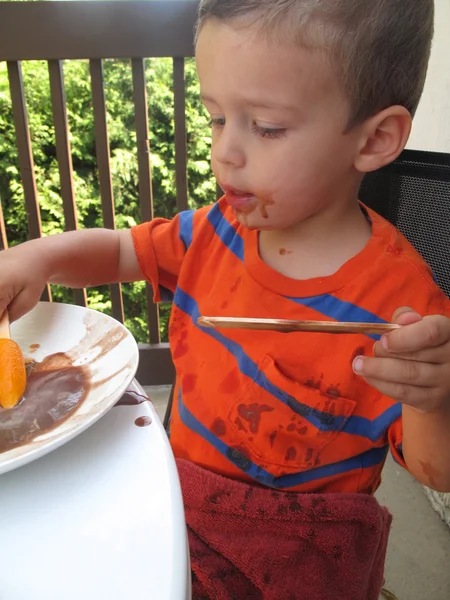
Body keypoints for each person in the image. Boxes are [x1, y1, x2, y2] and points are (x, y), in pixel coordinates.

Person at [1, 0, 449, 597]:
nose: (225, 152)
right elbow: (118, 253)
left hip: (298, 560)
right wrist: (41, 255)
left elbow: (433, 471)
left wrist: (435, 400)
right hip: (177, 509)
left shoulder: (407, 312)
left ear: (375, 139)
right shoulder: (213, 233)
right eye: (215, 118)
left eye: (265, 126)